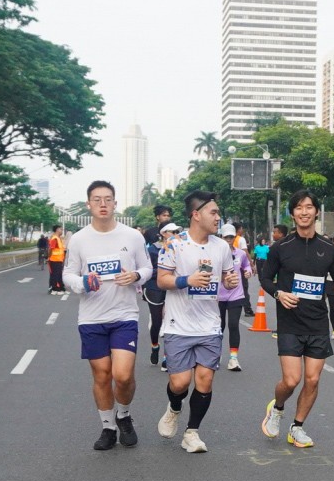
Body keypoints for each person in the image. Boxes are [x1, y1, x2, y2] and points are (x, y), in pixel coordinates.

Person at [258, 190, 334, 448]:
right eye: (299, 207)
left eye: (309, 207)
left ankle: (297, 427)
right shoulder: (280, 248)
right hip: (290, 321)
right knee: (291, 380)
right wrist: (278, 294)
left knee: (312, 379)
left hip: (318, 322)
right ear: (292, 213)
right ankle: (277, 408)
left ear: (316, 211)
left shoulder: (329, 249)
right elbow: (265, 278)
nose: (304, 212)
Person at [67, 181, 152, 450]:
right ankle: (108, 428)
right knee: (102, 376)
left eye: (107, 199)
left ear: (115, 203)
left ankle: (123, 415)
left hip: (124, 315)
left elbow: (147, 268)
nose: (102, 204)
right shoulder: (79, 239)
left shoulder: (132, 236)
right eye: (97, 199)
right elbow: (68, 274)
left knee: (123, 375)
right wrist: (82, 282)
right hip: (92, 317)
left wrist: (135, 275)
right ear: (88, 204)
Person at [155, 191, 242, 452]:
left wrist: (230, 281)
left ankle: (192, 432)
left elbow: (227, 275)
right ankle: (174, 407)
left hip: (209, 325)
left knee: (205, 380)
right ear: (196, 215)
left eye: (218, 213)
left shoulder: (222, 246)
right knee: (180, 383)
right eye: (213, 213)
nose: (218, 218)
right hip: (178, 324)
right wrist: (187, 280)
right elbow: (162, 280)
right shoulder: (174, 244)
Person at [217, 223, 254, 371]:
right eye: (226, 237)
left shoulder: (240, 254)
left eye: (231, 237)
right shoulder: (215, 254)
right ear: (221, 237)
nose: (229, 240)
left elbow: (247, 265)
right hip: (218, 296)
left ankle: (233, 359)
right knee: (218, 327)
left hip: (236, 294)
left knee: (233, 325)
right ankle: (216, 355)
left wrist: (248, 271)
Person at [141, 206, 175, 367]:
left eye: (176, 232)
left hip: (172, 288)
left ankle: (167, 357)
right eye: (171, 232)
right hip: (154, 288)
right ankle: (155, 346)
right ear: (163, 233)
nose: (174, 234)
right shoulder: (152, 250)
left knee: (171, 321)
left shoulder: (179, 249)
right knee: (157, 322)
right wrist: (162, 272)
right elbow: (146, 269)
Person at [45, 225, 68, 297]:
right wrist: (48, 257)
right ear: (57, 230)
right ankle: (55, 289)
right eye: (61, 229)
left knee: (58, 275)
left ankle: (60, 289)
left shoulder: (58, 238)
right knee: (55, 275)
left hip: (58, 260)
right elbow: (51, 249)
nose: (62, 231)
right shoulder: (55, 238)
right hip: (54, 260)